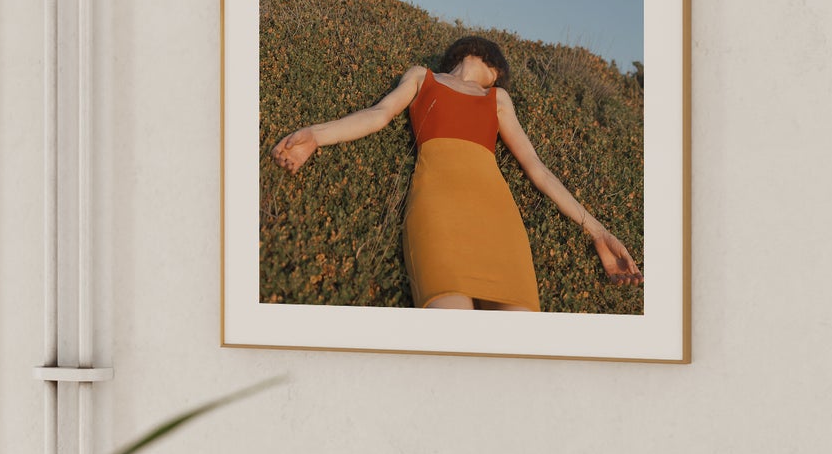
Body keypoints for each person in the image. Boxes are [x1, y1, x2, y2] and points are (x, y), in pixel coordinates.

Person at [271, 34, 641, 310]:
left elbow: (538, 169)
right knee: (450, 330)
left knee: (517, 350)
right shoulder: (422, 77)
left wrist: (598, 230)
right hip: (439, 212)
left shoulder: (498, 100)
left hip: (500, 224)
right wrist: (316, 135)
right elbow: (378, 114)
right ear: (483, 56)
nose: (499, 79)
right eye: (499, 72)